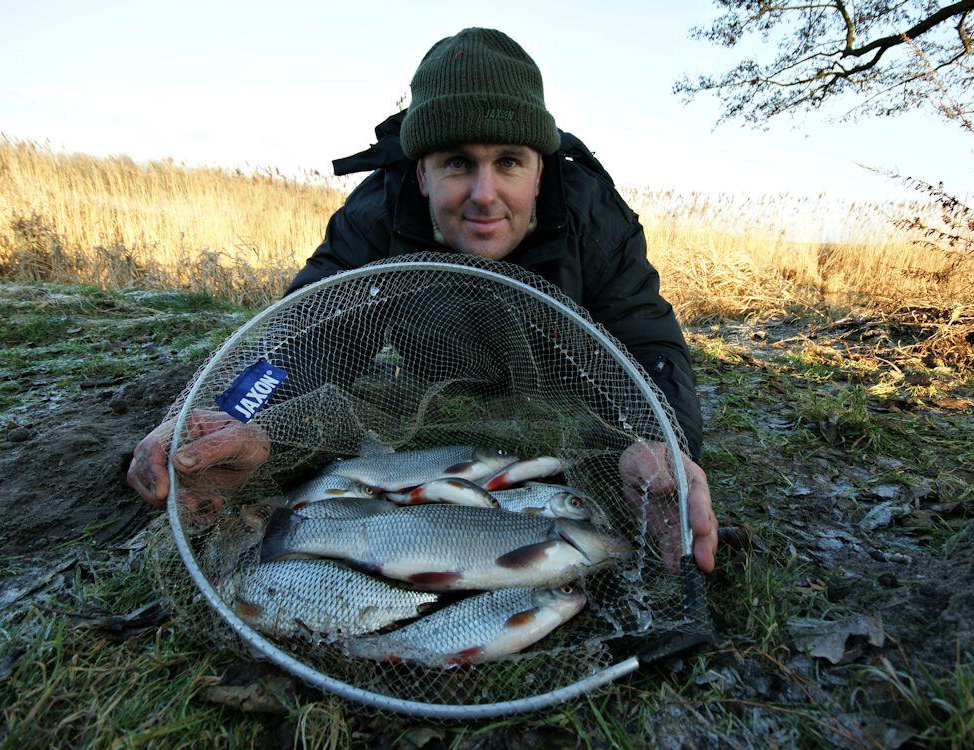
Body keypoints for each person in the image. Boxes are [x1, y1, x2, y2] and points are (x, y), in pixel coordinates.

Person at [128, 27, 718, 573]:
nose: (485, 196)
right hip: (435, 385)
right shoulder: (374, 218)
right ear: (420, 173)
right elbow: (302, 337)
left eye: (509, 163)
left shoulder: (596, 215)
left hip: (559, 392)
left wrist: (665, 443)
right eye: (457, 164)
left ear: (539, 171)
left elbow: (647, 341)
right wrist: (233, 417)